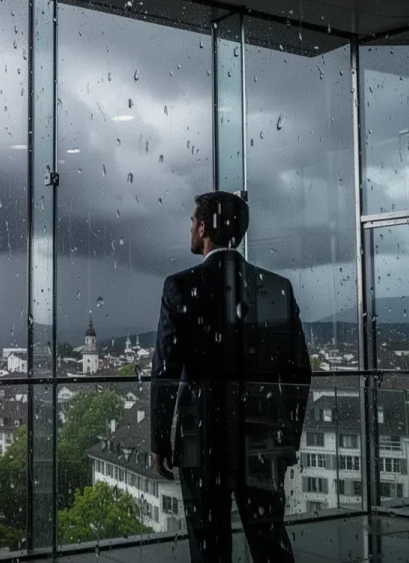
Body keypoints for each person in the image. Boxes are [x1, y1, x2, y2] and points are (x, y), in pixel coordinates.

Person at [151, 191, 311, 563]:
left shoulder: (180, 286)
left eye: (193, 220)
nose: (190, 226)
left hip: (200, 439)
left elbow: (166, 372)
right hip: (263, 437)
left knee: (209, 546)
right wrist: (287, 438)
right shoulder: (275, 286)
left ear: (204, 227)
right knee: (270, 541)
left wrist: (160, 441)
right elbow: (299, 371)